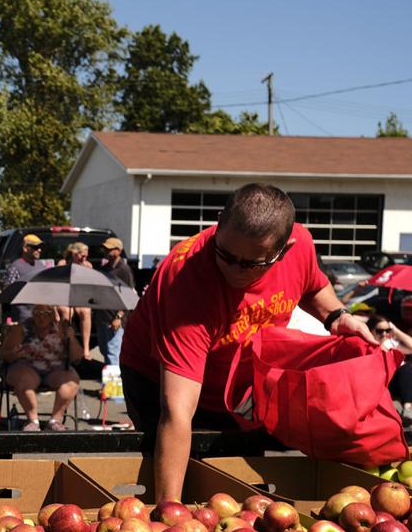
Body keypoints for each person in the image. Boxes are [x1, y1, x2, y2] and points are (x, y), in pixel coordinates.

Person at [121, 182, 375, 502]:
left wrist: (337, 315)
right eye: (224, 254)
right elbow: (176, 413)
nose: (233, 270)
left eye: (252, 263)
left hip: (236, 378)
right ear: (218, 223)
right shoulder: (188, 286)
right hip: (155, 376)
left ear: (284, 250)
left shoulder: (302, 247)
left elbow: (312, 285)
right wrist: (168, 514)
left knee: (235, 481)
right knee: (177, 482)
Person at [0, 304, 83, 430]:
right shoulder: (21, 329)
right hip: (26, 366)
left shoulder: (61, 328)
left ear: (52, 315)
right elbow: (3, 354)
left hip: (55, 368)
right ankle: (33, 421)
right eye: (37, 313)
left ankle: (55, 420)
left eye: (45, 314)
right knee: (24, 380)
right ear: (32, 314)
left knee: (71, 381)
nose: (41, 317)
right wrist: (13, 354)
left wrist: (71, 338)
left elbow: (77, 357)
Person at [95, 237, 134, 367]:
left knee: (113, 354)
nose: (106, 251)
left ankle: (115, 386)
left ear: (119, 250)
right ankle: (108, 385)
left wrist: (119, 316)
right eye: (105, 249)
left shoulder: (124, 270)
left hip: (115, 319)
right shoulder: (104, 269)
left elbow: (129, 296)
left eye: (110, 249)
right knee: (105, 351)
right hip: (102, 317)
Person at [370, 316, 412, 421]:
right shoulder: (368, 344)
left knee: (405, 367)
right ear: (371, 331)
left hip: (400, 382)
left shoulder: (392, 343)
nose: (384, 334)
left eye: (387, 330)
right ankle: (398, 406)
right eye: (380, 331)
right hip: (382, 382)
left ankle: (408, 407)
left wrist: (396, 331)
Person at [57, 241, 94, 359]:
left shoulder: (88, 266)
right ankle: (64, 345)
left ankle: (86, 349)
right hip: (63, 295)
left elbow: (89, 286)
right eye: (82, 256)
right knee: (67, 312)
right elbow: (56, 284)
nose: (84, 259)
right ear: (74, 254)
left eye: (86, 256)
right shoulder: (63, 264)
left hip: (79, 295)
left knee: (86, 312)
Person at [5, 234, 45, 323]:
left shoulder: (41, 265)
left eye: (40, 247)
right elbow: (8, 292)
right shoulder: (15, 267)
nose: (39, 250)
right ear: (25, 248)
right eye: (35, 247)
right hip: (24, 317)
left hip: (42, 315)